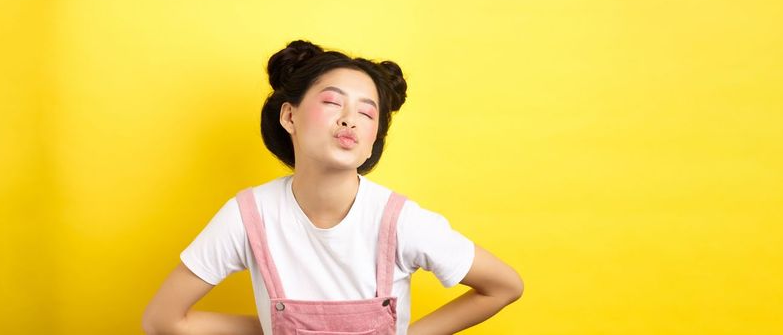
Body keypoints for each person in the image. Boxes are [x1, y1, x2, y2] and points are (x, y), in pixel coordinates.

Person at [142, 40, 524, 335]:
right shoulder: (248, 216)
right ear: (289, 115)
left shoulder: (399, 221)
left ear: (375, 135)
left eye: (366, 111)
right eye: (332, 102)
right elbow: (162, 321)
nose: (349, 120)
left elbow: (504, 286)